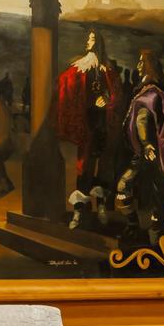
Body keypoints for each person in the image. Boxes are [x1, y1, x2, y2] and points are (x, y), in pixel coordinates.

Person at [54, 29, 119, 204]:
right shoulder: (81, 66)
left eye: (91, 40)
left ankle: (102, 205)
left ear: (97, 43)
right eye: (88, 39)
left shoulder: (107, 69)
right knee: (85, 161)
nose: (88, 42)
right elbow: (64, 81)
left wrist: (107, 99)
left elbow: (115, 93)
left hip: (103, 120)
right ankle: (81, 207)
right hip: (88, 119)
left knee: (103, 160)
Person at [120, 47, 164, 179]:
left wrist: (146, 142)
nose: (138, 66)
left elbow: (142, 119)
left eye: (141, 62)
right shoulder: (149, 90)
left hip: (149, 151)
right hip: (149, 149)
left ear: (149, 65)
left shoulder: (150, 93)